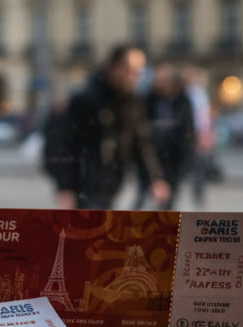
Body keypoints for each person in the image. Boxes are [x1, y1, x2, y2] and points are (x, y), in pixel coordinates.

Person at [54, 45, 168, 210]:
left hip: (114, 181)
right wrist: (65, 186)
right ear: (114, 67)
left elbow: (142, 143)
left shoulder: (134, 102)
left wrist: (155, 178)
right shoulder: (85, 100)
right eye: (130, 70)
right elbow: (63, 144)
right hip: (84, 182)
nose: (134, 77)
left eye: (139, 71)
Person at [134, 63, 195, 210]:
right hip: (151, 158)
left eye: (164, 79)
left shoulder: (182, 100)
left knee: (169, 203)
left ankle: (164, 231)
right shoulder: (148, 100)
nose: (160, 83)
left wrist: (186, 157)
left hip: (174, 159)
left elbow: (189, 130)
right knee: (142, 201)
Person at [183, 66, 215, 210]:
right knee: (195, 167)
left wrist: (207, 134)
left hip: (198, 135)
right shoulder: (190, 94)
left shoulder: (199, 94)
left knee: (198, 167)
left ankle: (198, 194)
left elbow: (204, 118)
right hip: (191, 136)